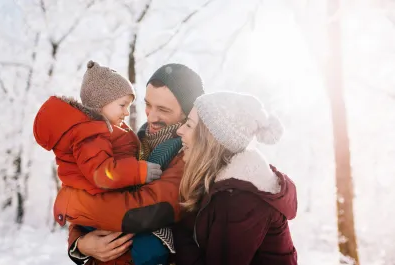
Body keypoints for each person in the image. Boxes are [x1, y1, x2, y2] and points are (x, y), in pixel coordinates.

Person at [55, 63, 205, 264]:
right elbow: (95, 187)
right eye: (148, 104)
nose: (151, 116)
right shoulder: (132, 141)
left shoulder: (188, 156)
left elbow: (145, 210)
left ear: (187, 113)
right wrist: (80, 244)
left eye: (163, 109)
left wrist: (74, 204)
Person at [33, 61, 167, 265]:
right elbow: (102, 173)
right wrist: (139, 172)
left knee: (146, 247)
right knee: (148, 248)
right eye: (122, 105)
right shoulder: (91, 134)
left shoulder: (102, 131)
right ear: (100, 104)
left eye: (129, 106)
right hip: (101, 210)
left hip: (102, 209)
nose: (126, 112)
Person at [174, 91, 298, 265]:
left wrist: (175, 232)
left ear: (209, 139)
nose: (179, 130)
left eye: (189, 125)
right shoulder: (220, 184)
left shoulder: (239, 200)